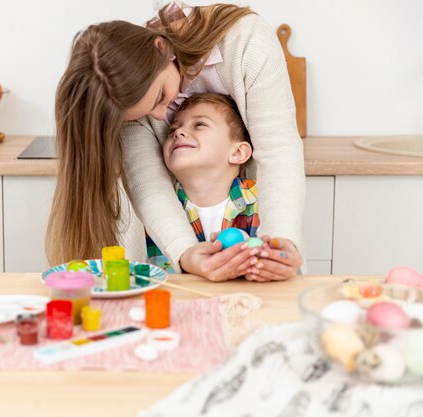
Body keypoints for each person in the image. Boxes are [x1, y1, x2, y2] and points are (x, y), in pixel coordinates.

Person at [46, 2, 304, 282]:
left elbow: (278, 150)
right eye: (146, 113)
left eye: (159, 98)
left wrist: (281, 240)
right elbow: (148, 181)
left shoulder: (247, 41)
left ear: (161, 48)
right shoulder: (122, 88)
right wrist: (184, 253)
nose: (161, 117)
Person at [146, 92, 261, 282]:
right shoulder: (156, 211)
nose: (178, 132)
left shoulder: (261, 203)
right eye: (172, 130)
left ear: (238, 152)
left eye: (199, 124)